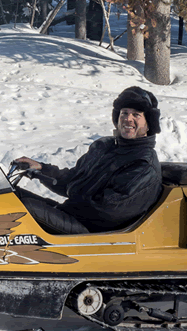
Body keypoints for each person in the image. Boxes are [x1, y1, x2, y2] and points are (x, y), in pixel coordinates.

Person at [15, 86, 163, 234]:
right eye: (124, 113)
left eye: (136, 115)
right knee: (12, 196)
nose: (128, 119)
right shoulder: (105, 147)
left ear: (149, 124)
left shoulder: (143, 164)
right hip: (71, 215)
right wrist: (42, 169)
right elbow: (74, 178)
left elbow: (108, 210)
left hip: (92, 232)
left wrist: (74, 192)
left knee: (23, 208)